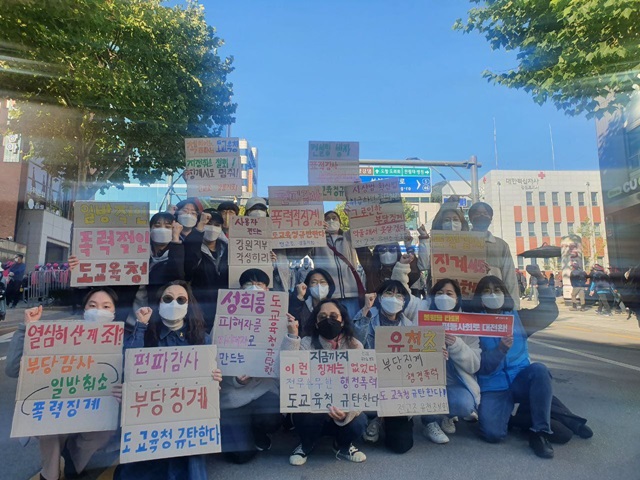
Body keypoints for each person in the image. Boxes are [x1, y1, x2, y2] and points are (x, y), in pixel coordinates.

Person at [6, 288, 123, 480]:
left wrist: (124, 392)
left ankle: (75, 465)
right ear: (84, 310)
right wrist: (27, 329)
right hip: (58, 413)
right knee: (48, 427)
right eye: (92, 305)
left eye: (106, 306)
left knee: (103, 432)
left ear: (114, 312)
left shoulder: (122, 342)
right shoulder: (61, 336)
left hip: (95, 415)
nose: (98, 311)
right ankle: (49, 474)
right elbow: (12, 369)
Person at [117, 280, 222, 480]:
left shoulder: (202, 338)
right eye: (168, 298)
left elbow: (208, 387)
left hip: (188, 418)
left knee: (189, 468)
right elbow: (128, 365)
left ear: (189, 305)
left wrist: (214, 379)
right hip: (149, 417)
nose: (174, 304)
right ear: (159, 303)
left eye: (181, 300)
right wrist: (141, 326)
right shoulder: (145, 333)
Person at [471, 272, 559, 458]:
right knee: (492, 434)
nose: (493, 295)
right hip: (493, 386)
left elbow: (549, 311)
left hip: (520, 380)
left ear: (505, 294)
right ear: (479, 297)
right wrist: (500, 350)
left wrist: (541, 280)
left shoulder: (519, 318)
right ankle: (520, 419)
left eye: (497, 290)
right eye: (487, 291)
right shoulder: (473, 324)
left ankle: (540, 433)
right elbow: (481, 366)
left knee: (539, 370)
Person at [283, 299, 368, 465]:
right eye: (322, 317)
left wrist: (348, 413)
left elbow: (361, 387)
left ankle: (343, 446)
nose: (328, 320)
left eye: (334, 316)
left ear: (342, 321)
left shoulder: (355, 346)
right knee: (303, 417)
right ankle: (306, 445)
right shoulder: (306, 343)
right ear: (316, 323)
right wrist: (292, 336)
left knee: (359, 422)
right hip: (313, 409)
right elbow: (287, 372)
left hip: (342, 408)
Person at [218, 269, 283, 464]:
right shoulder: (224, 319)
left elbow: (286, 359)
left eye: (260, 285)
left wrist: (292, 335)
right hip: (233, 397)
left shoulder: (277, 318)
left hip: (263, 391)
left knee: (272, 417)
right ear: (240, 289)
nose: (254, 289)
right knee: (239, 456)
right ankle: (241, 432)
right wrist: (236, 380)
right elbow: (217, 359)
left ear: (267, 289)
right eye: (248, 284)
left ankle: (258, 431)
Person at [351, 280, 420, 453]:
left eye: (399, 295)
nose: (394, 298)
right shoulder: (367, 316)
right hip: (369, 380)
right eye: (389, 293)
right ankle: (374, 417)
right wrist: (366, 309)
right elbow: (354, 343)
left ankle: (387, 419)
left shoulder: (410, 327)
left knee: (401, 445)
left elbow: (417, 361)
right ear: (380, 297)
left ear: (404, 301)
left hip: (396, 388)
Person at [420, 278, 480, 445]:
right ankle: (429, 422)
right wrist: (431, 355)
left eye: (449, 293)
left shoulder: (467, 324)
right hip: (427, 381)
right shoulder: (422, 319)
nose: (444, 297)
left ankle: (448, 415)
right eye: (439, 293)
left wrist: (456, 345)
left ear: (457, 298)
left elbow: (475, 365)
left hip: (454, 383)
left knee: (465, 404)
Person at [309, 211, 365, 319]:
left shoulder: (348, 237)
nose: (331, 221)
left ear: (340, 222)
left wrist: (352, 214)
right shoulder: (317, 241)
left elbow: (359, 227)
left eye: (334, 218)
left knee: (353, 325)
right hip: (329, 295)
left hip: (351, 294)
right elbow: (305, 248)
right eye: (327, 219)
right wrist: (316, 232)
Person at [468, 202, 520, 309]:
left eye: (485, 213)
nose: (482, 216)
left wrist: (514, 307)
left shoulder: (501, 245)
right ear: (471, 218)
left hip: (495, 301)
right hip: (467, 299)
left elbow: (509, 277)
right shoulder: (460, 243)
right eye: (477, 213)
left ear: (491, 218)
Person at [184, 209, 229, 332]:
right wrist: (200, 226)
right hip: (199, 309)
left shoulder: (229, 249)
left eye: (217, 225)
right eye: (208, 224)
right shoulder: (192, 247)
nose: (212, 228)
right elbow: (189, 259)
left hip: (226, 308)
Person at [288, 267, 336, 333]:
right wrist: (300, 296)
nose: (319, 286)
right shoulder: (303, 305)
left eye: (322, 282)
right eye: (314, 282)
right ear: (308, 286)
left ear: (329, 286)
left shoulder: (336, 307)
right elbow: (293, 318)